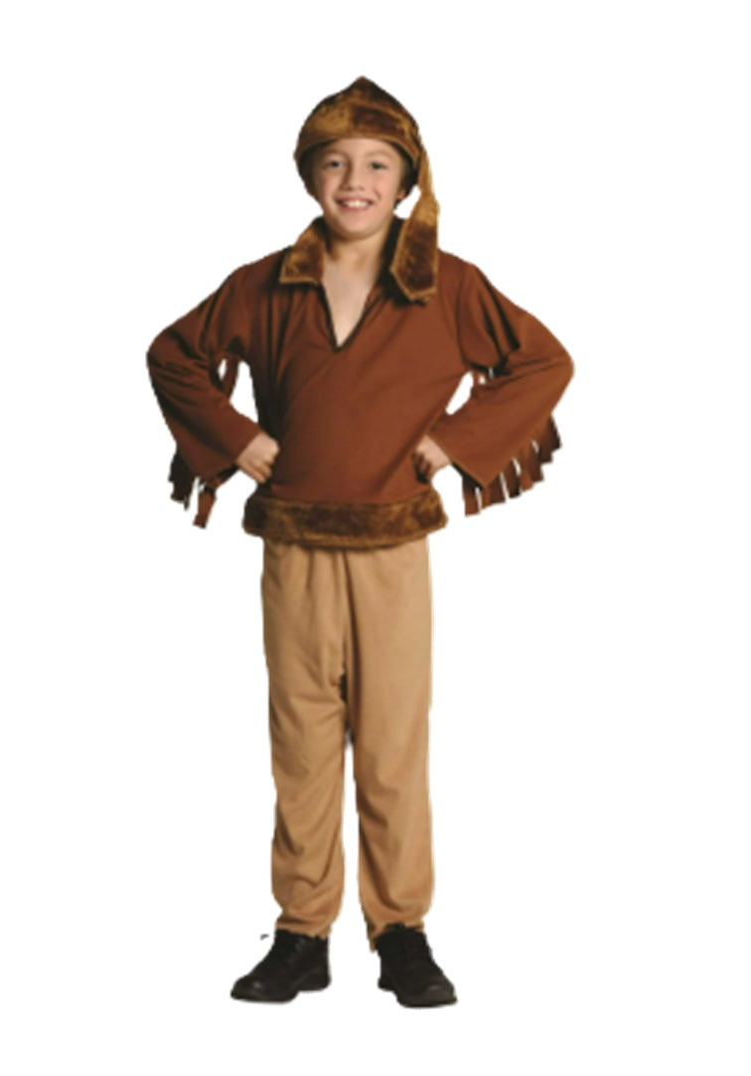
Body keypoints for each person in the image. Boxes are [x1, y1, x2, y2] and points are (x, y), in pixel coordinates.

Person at [145, 75, 574, 1008]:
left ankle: (400, 930)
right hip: (294, 542)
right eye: (335, 163)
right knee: (301, 739)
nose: (355, 182)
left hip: (391, 548)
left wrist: (453, 442)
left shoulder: (448, 285)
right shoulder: (263, 284)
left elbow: (543, 361)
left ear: (406, 180)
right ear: (309, 177)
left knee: (390, 743)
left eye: (377, 165)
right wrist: (238, 439)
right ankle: (302, 932)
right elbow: (172, 355)